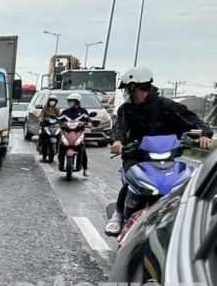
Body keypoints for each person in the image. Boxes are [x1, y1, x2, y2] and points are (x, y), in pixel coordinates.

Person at [105, 66, 213, 236]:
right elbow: (120, 127)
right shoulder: (126, 109)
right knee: (130, 180)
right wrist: (117, 141)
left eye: (127, 88)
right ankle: (118, 215)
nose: (125, 92)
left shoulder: (167, 106)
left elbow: (193, 122)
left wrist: (203, 135)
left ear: (135, 86)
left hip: (168, 157)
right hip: (136, 155)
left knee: (185, 185)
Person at [58, 92, 91, 178]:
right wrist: (56, 123)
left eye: (71, 101)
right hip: (67, 132)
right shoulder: (65, 112)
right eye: (68, 101)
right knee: (61, 145)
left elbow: (87, 119)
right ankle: (60, 161)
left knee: (82, 149)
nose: (69, 102)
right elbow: (59, 120)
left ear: (77, 102)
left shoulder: (83, 111)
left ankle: (85, 169)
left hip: (79, 133)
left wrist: (89, 122)